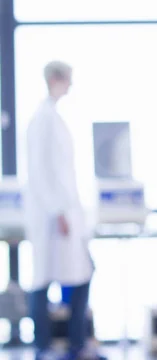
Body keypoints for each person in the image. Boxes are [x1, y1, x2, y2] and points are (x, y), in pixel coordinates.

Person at [24, 61, 104, 360]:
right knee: (43, 280)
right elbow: (40, 172)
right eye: (68, 79)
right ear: (55, 79)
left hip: (62, 213)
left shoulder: (52, 117)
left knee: (78, 273)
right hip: (52, 216)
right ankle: (46, 346)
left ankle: (75, 343)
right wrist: (58, 211)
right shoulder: (42, 119)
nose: (70, 85)